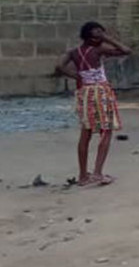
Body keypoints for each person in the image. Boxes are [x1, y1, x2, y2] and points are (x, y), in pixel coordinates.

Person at [55, 22, 131, 187]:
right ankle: (97, 173)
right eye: (98, 32)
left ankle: (83, 175)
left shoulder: (74, 52)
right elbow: (126, 50)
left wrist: (77, 76)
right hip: (100, 92)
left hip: (84, 92)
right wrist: (108, 39)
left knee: (86, 132)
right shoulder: (98, 50)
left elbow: (59, 66)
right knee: (106, 130)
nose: (101, 34)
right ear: (90, 35)